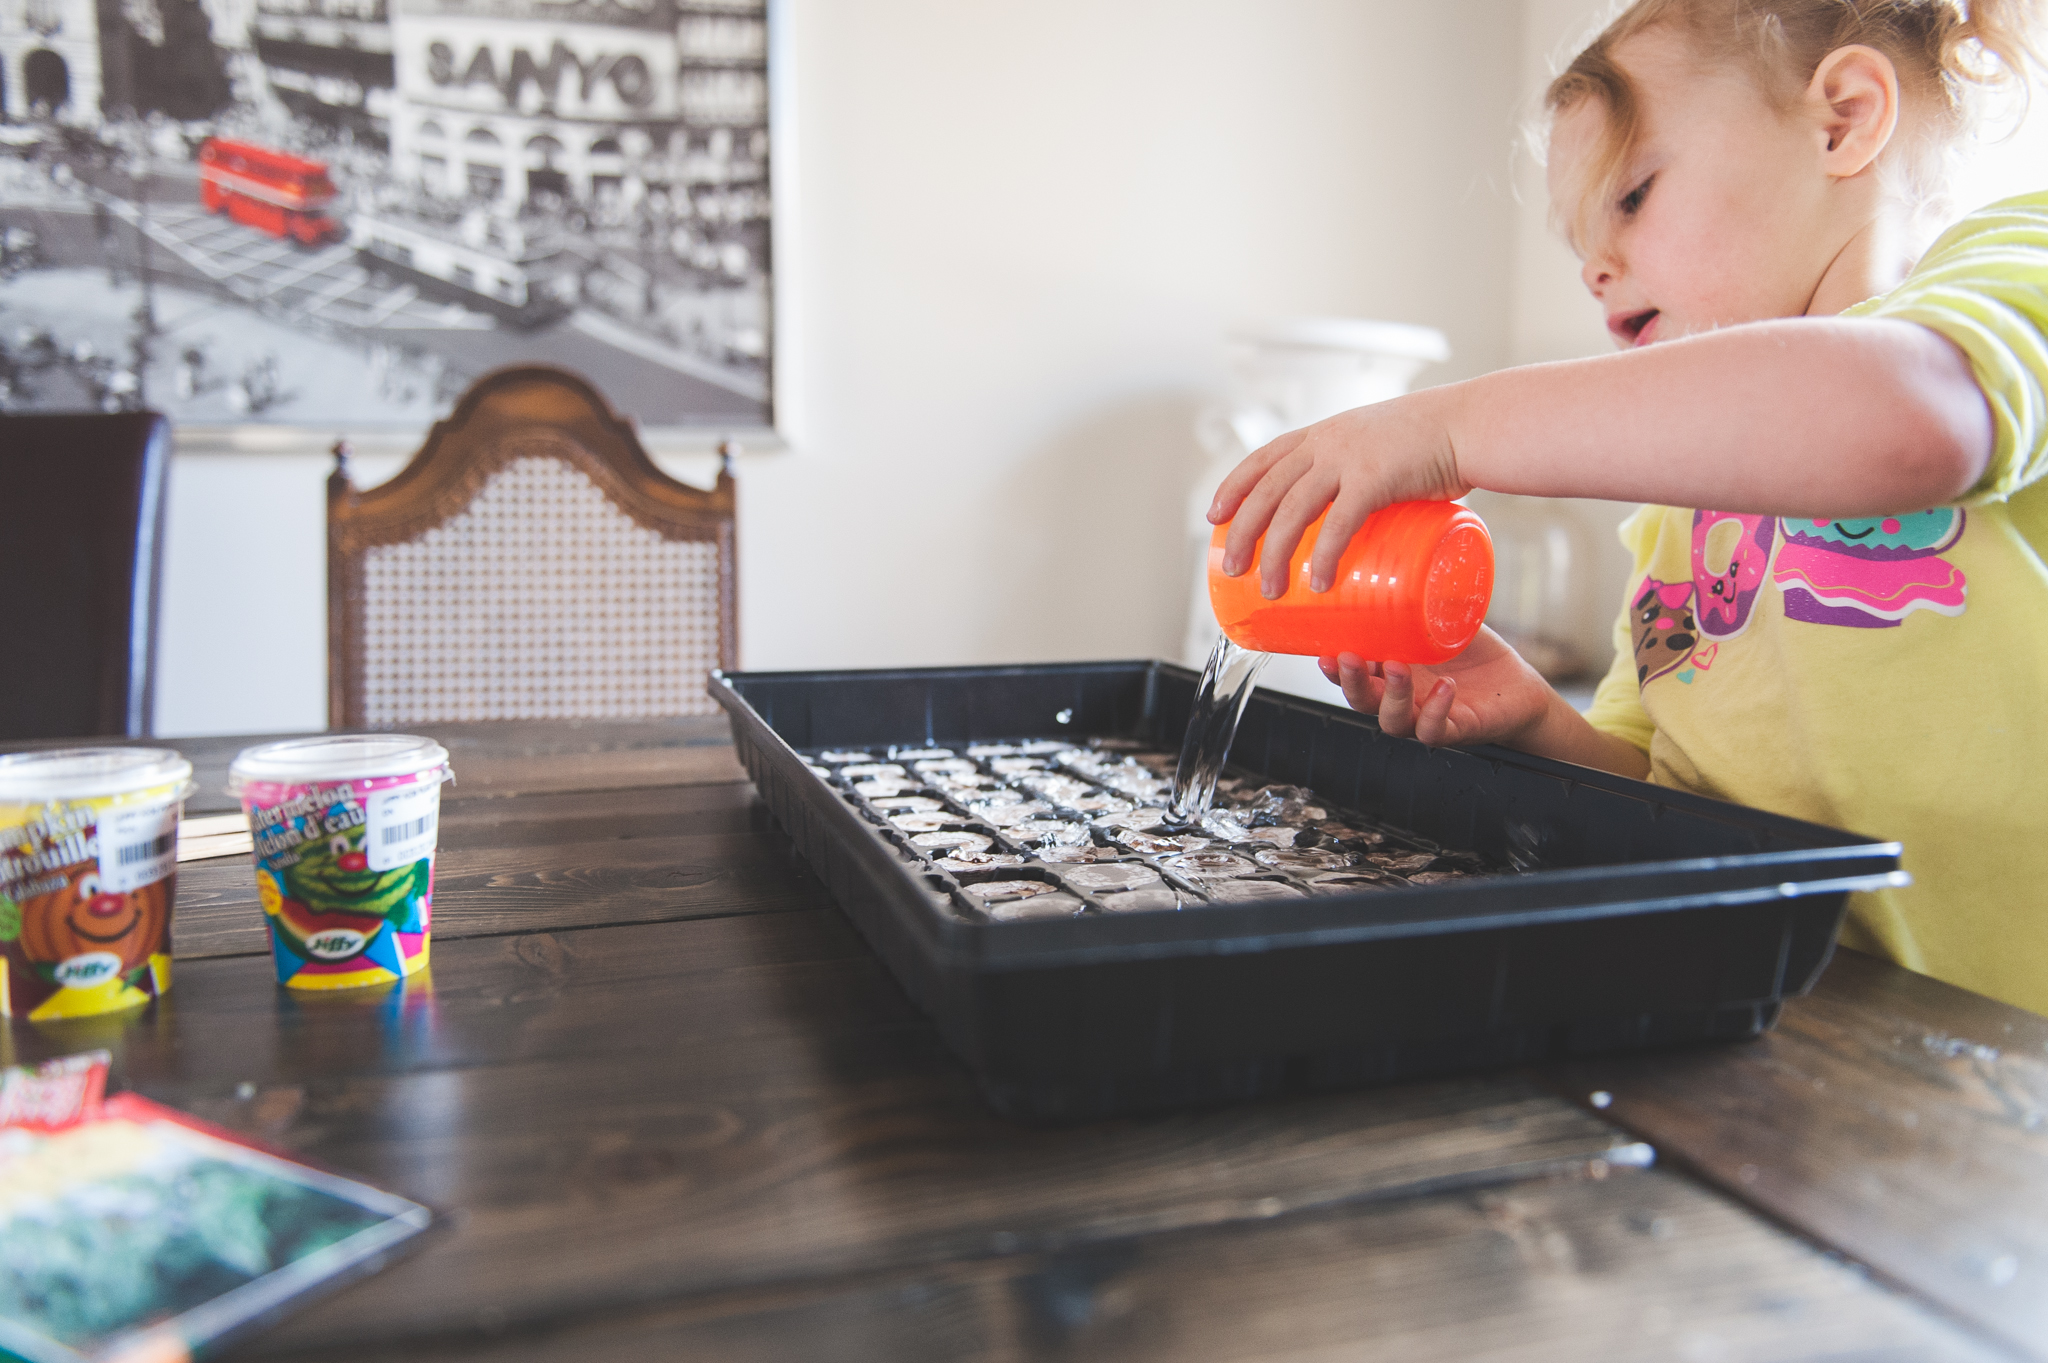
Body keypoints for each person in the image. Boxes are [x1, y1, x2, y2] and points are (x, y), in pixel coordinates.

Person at [1208, 0, 2048, 1012]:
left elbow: (1908, 421)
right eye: (1577, 245)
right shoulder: (1679, 505)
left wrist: (1449, 429)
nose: (1594, 268)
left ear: (1841, 120)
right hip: (1787, 1020)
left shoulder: (2009, 265)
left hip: (2004, 1057)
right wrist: (1529, 720)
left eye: (1634, 196)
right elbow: (1659, 793)